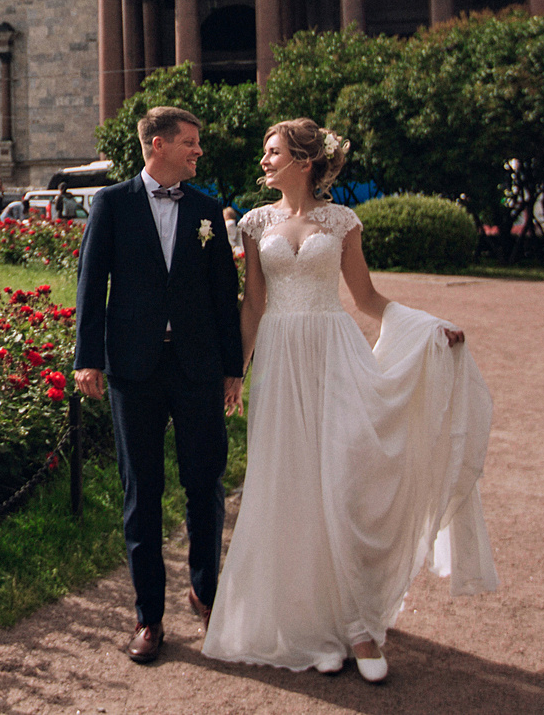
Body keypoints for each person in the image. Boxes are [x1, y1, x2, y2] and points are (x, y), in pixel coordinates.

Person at [202, 119, 498, 682]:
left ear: (303, 160)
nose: (263, 161)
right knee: (289, 486)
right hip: (280, 361)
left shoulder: (342, 222)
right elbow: (253, 305)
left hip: (334, 354)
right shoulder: (255, 223)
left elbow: (366, 298)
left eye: (273, 152)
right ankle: (310, 628)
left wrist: (431, 327)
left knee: (343, 481)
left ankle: (359, 626)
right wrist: (235, 371)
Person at [72, 106, 244, 665]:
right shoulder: (112, 203)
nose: (198, 151)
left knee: (205, 484)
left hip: (197, 368)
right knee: (141, 492)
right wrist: (87, 359)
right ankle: (149, 617)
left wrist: (233, 367)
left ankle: (206, 594)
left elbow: (223, 292)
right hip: (133, 369)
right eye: (190, 142)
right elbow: (91, 282)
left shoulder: (206, 209)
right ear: (158, 145)